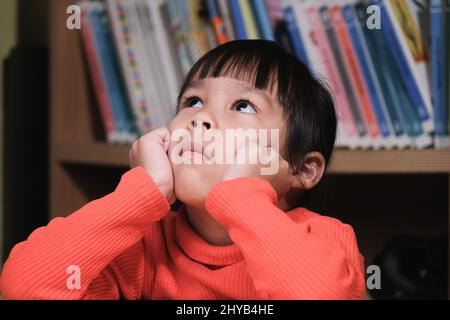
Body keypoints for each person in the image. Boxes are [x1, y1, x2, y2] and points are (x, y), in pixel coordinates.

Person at [0, 40, 366, 299]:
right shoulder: (147, 246)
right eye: (192, 101)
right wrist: (143, 192)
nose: (201, 118)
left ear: (304, 169)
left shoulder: (321, 239)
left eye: (242, 106)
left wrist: (242, 197)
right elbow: (24, 286)